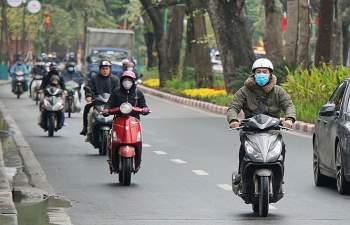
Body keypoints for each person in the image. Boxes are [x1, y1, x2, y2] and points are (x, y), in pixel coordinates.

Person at [227, 58, 296, 184]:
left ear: (270, 74)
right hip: (250, 130)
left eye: (265, 71)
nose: (261, 74)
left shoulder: (278, 91)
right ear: (254, 74)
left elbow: (289, 105)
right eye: (259, 71)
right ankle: (240, 175)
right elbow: (233, 107)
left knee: (282, 148)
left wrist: (289, 119)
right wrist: (233, 120)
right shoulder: (244, 91)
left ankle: (279, 177)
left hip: (272, 130)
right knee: (244, 149)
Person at [107, 70, 150, 171]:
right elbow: (109, 104)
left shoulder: (138, 93)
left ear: (133, 81)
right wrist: (106, 109)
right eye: (125, 80)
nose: (127, 82)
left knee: (138, 140)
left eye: (130, 80)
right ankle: (111, 159)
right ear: (121, 81)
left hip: (134, 121)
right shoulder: (116, 92)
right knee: (111, 139)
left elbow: (144, 106)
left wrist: (145, 109)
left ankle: (138, 161)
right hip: (118, 119)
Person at [80, 60, 119, 136]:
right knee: (87, 108)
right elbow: (89, 88)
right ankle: (85, 128)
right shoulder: (94, 78)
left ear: (110, 69)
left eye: (106, 69)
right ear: (100, 69)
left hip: (111, 103)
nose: (105, 70)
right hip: (97, 101)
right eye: (103, 69)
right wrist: (88, 96)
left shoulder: (115, 79)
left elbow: (118, 91)